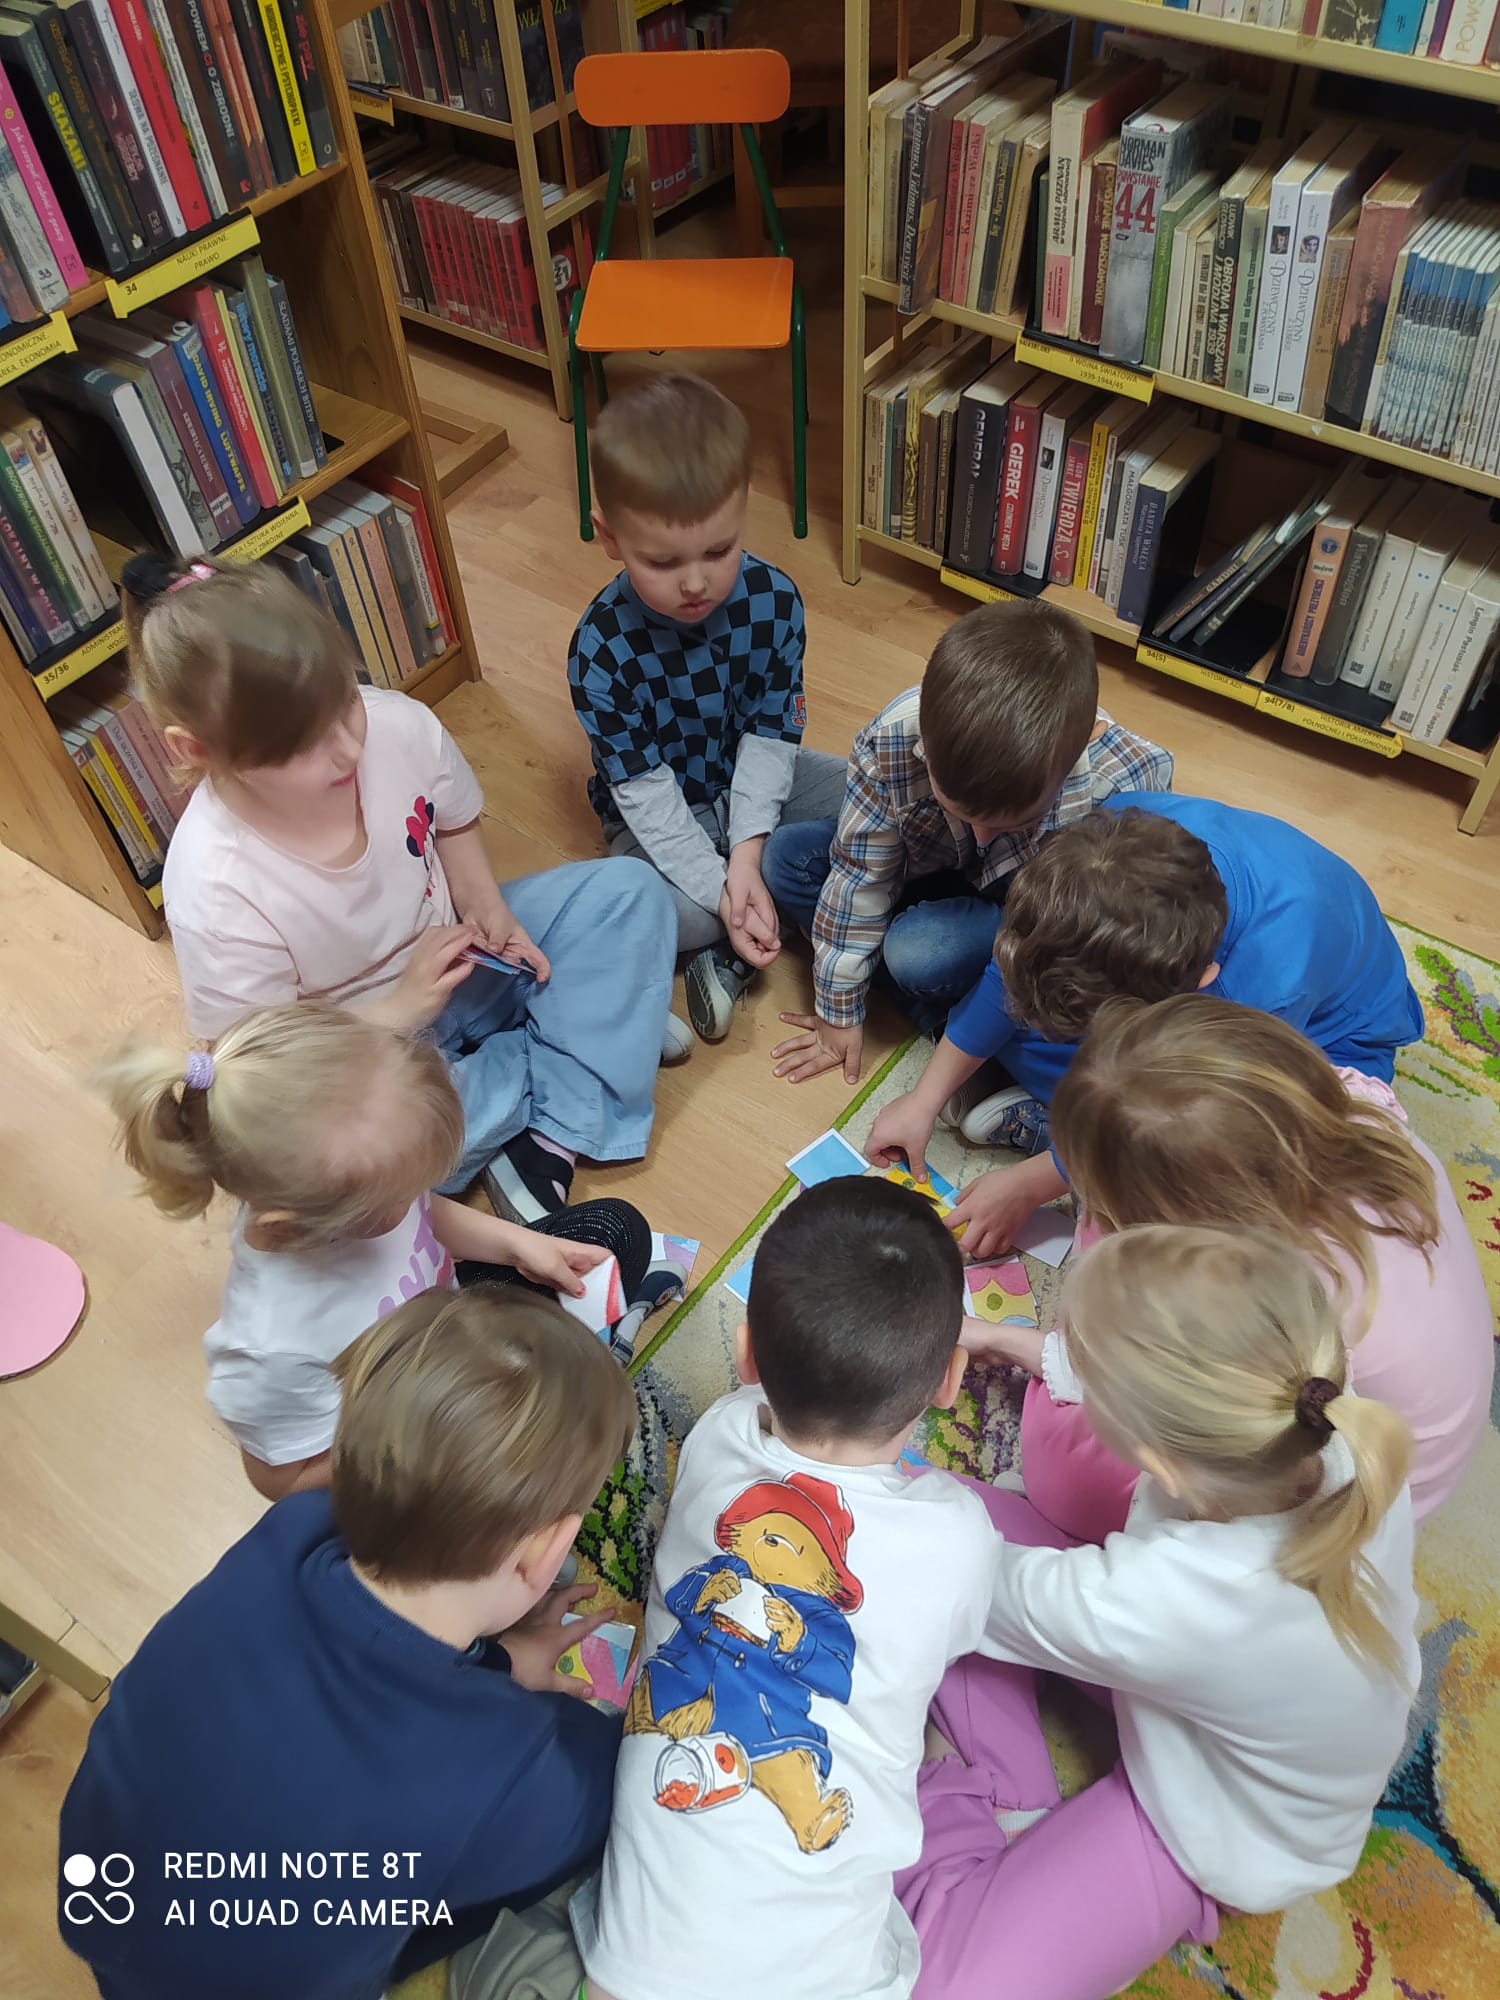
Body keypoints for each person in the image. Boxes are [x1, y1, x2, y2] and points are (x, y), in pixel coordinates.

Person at [59, 1284, 637, 2000]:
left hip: (102, 1908)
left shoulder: (291, 1530)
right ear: (547, 1550)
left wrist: (501, 1661)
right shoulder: (514, 1762)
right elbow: (615, 1787)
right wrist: (536, 1710)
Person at [898, 1225, 1419, 2000]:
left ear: (1158, 1460)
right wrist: (993, 1337)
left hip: (1222, 1831)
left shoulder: (1169, 1598)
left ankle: (974, 1804)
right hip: (1218, 1702)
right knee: (939, 1517)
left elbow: (969, 1585)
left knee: (921, 1540)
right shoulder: (1322, 1423)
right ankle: (1017, 1796)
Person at [126, 552, 682, 1227]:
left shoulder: (395, 725)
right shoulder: (214, 883)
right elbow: (267, 1063)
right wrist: (398, 1009)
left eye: (344, 704)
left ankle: (566, 1082)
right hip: (365, 1054)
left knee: (630, 892)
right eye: (300, 745)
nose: (346, 749)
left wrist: (486, 906)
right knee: (336, 1180)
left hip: (466, 960)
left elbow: (453, 819)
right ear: (197, 750)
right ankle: (591, 1043)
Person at [565, 1177, 999, 2000]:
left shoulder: (721, 1433)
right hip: (833, 1975)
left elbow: (822, 1650)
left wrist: (790, 1631)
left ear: (745, 1356)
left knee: (780, 1755)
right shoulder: (960, 1533)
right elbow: (953, 1636)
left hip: (632, 1961)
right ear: (951, 1380)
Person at [98, 1003, 669, 1501]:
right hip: (414, 1436)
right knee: (526, 1479)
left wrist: (519, 1243)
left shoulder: (354, 1198)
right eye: (397, 1197)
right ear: (295, 1224)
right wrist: (417, 1440)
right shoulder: (270, 1347)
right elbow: (279, 1481)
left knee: (616, 1231)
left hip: (456, 1339)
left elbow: (425, 1214)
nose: (415, 1198)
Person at [971, 996, 1494, 1540]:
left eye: (1104, 1203)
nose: (1093, 1213)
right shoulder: (1346, 1107)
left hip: (1337, 1498)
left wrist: (1032, 1346)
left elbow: (1165, 1396)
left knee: (1066, 1469)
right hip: (1381, 1424)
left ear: (1194, 1224)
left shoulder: (1269, 1300)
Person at [866, 795, 1424, 1259]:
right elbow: (1008, 978)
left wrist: (1031, 1185)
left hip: (1325, 1047)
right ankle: (1064, 1114)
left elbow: (1191, 1100)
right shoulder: (1103, 842)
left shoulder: (1263, 986)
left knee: (1223, 1184)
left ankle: (1061, 1126)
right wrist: (923, 1099)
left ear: (1200, 983)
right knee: (1019, 1003)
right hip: (1188, 988)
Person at [760, 599, 1172, 1087]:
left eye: (1015, 823)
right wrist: (838, 1012)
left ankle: (952, 1025)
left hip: (1026, 914)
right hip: (926, 871)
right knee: (785, 858)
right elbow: (858, 875)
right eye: (956, 809)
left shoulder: (1122, 788)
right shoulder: (894, 736)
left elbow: (1084, 944)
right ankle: (948, 1017)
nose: (981, 835)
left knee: (919, 954)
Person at [567, 373, 847, 1043]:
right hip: (665, 810)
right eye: (663, 562)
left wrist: (745, 857)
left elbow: (771, 738)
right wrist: (723, 887)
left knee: (870, 794)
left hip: (749, 776)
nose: (696, 583)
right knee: (660, 912)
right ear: (609, 536)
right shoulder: (599, 651)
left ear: (744, 510)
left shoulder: (774, 601)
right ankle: (768, 913)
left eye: (719, 551)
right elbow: (645, 795)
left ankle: (744, 928)